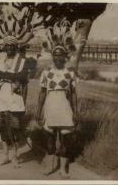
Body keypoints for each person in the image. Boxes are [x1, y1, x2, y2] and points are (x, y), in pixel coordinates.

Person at [0, 37, 37, 168]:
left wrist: (24, 102)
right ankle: (5, 156)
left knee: (14, 128)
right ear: (4, 47)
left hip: (15, 97)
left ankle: (14, 157)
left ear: (15, 47)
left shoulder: (22, 62)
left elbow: (25, 85)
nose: (9, 48)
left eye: (11, 46)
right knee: (2, 127)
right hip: (1, 97)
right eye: (6, 46)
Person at [35, 45, 77, 178]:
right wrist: (38, 110)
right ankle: (50, 166)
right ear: (53, 56)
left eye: (61, 54)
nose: (58, 57)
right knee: (50, 139)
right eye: (56, 54)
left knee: (65, 139)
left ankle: (63, 169)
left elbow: (73, 93)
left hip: (64, 107)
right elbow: (42, 92)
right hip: (50, 106)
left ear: (65, 56)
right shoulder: (46, 71)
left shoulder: (70, 72)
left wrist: (75, 111)